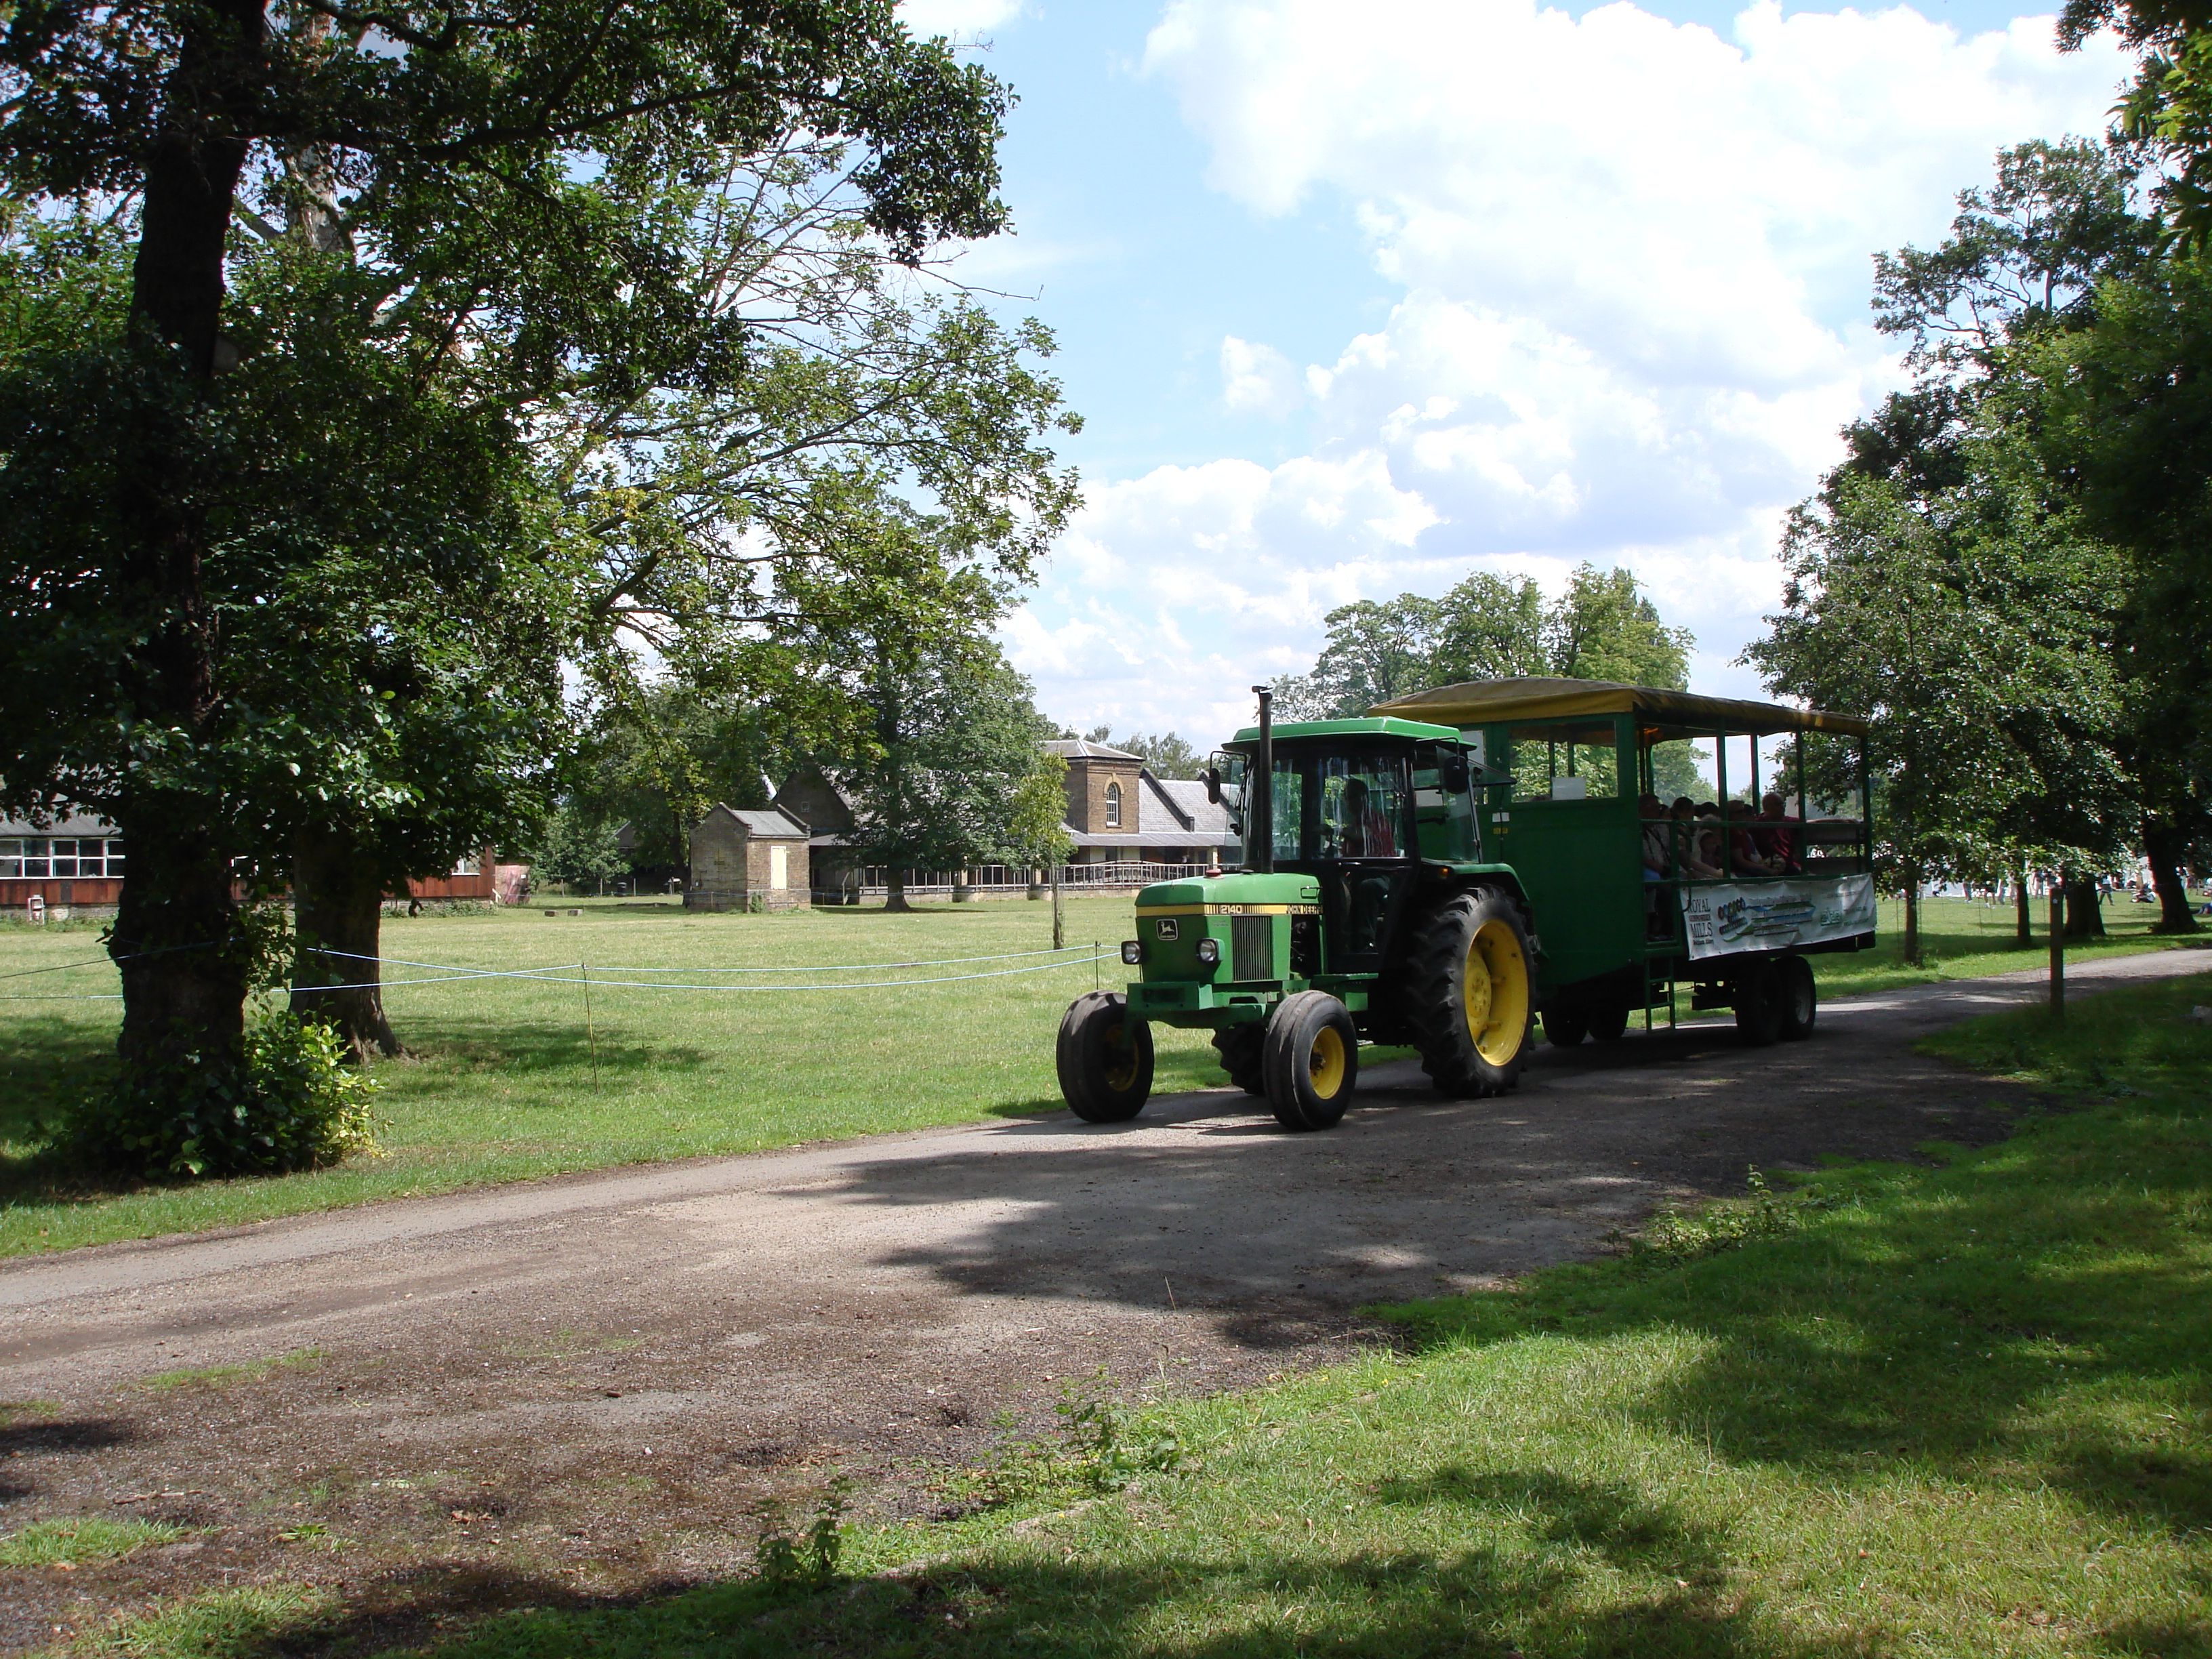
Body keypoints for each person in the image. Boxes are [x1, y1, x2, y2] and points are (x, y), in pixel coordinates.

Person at [1340, 777, 1398, 858]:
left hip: (1380, 868)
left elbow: (1364, 834)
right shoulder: (1356, 823)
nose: (1349, 803)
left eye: (1352, 797)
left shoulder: (1379, 821)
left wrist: (1336, 831)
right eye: (1346, 799)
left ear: (1364, 798)